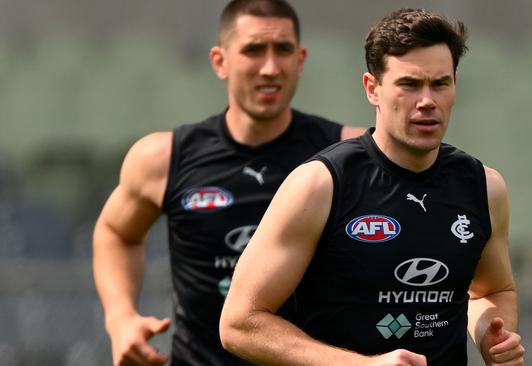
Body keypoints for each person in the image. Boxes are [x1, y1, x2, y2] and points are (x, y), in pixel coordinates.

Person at [220, 7, 525, 366]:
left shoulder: (484, 187)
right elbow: (240, 325)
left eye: (440, 83)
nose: (427, 101)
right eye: (409, 84)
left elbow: (493, 292)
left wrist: (491, 332)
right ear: (372, 89)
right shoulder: (319, 184)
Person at [92, 0, 365, 365]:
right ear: (220, 61)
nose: (270, 67)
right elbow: (116, 232)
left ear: (300, 60)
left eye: (282, 50)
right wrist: (120, 318)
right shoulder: (163, 158)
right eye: (253, 50)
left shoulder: (350, 155)